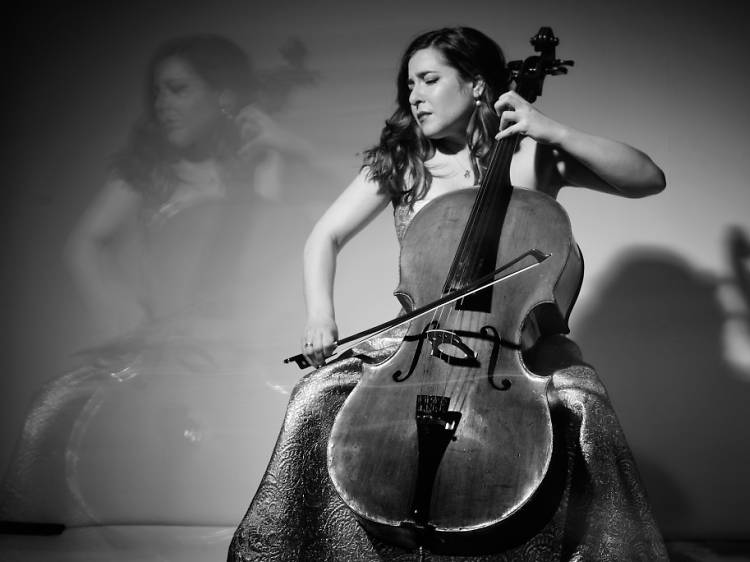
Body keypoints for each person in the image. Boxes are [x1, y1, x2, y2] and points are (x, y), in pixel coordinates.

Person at [228, 26, 669, 561]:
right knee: (315, 395)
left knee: (583, 402)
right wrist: (321, 314)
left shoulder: (532, 157)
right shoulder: (405, 161)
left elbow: (647, 178)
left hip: (516, 348)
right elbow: (326, 235)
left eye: (430, 79)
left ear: (478, 86)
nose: (414, 95)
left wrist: (552, 130)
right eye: (409, 83)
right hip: (418, 343)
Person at [0, 33, 313, 527]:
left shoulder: (256, 166)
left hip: (239, 348)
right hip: (163, 347)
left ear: (224, 97)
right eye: (158, 93)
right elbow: (83, 245)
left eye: (177, 89)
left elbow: (269, 261)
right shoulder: (151, 172)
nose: (162, 104)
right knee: (52, 404)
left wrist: (282, 147)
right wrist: (124, 323)